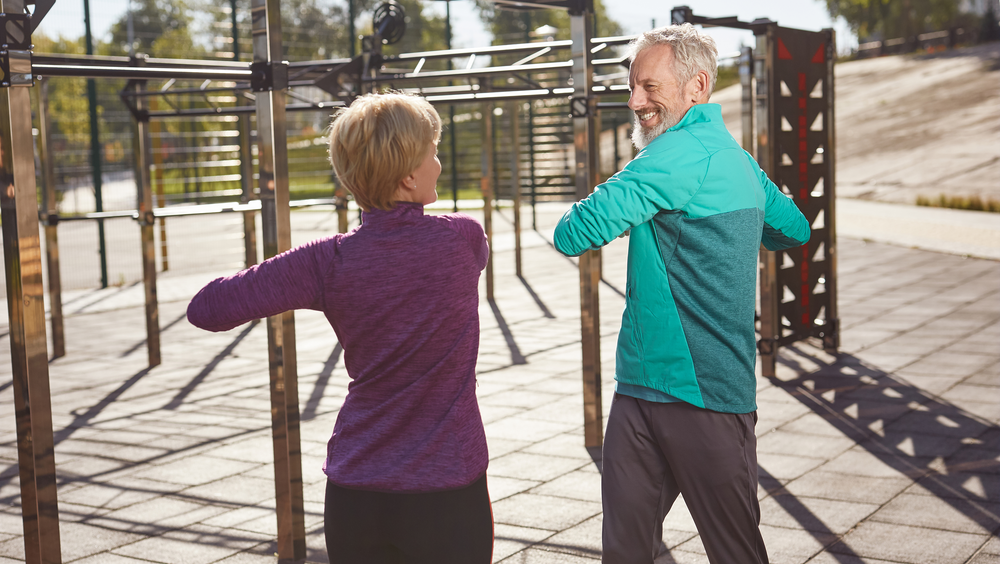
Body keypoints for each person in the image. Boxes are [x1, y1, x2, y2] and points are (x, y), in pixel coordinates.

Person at [186, 92, 493, 564]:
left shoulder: (326, 260)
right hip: (445, 490)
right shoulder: (463, 239)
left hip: (355, 491)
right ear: (409, 175)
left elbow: (207, 308)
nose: (438, 162)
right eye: (432, 152)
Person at [553, 24, 810, 564]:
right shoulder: (737, 160)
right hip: (652, 386)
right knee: (726, 549)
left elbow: (572, 232)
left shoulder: (670, 158)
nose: (634, 100)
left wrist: (639, 192)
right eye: (632, 86)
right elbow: (794, 229)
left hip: (696, 395)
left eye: (649, 87)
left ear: (697, 85)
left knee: (637, 549)